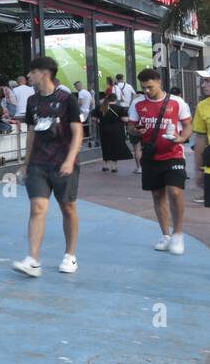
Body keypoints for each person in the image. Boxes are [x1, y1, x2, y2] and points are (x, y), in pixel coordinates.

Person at [13, 56, 83, 278]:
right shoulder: (32, 101)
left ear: (44, 73)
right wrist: (25, 162)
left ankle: (70, 255)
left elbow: (78, 132)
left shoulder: (66, 99)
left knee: (68, 208)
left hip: (63, 163)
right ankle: (33, 260)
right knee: (37, 208)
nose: (29, 76)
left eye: (32, 72)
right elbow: (32, 132)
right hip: (38, 164)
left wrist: (70, 160)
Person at [129, 68, 192, 255]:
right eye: (143, 88)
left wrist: (181, 139)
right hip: (150, 156)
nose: (146, 91)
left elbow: (188, 126)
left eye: (150, 87)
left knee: (175, 192)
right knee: (158, 195)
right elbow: (131, 126)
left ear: (159, 82)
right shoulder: (138, 104)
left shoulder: (177, 102)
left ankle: (178, 234)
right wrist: (135, 131)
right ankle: (166, 235)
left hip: (174, 154)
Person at [191, 70, 210, 209]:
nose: (203, 85)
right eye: (203, 81)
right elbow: (200, 139)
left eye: (208, 81)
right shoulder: (202, 106)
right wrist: (199, 169)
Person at [97, 92, 129, 172]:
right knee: (115, 147)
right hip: (117, 131)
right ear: (116, 99)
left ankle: (105, 165)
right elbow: (125, 119)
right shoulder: (120, 108)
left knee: (105, 147)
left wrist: (100, 121)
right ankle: (114, 167)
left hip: (104, 130)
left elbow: (94, 118)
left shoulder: (101, 107)